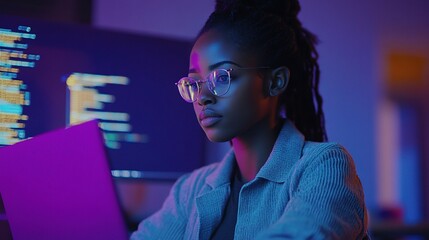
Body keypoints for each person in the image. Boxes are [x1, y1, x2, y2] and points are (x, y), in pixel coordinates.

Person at [131, 0, 369, 239]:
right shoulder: (191, 188)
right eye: (194, 83)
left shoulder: (325, 166)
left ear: (275, 82)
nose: (202, 97)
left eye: (221, 77)